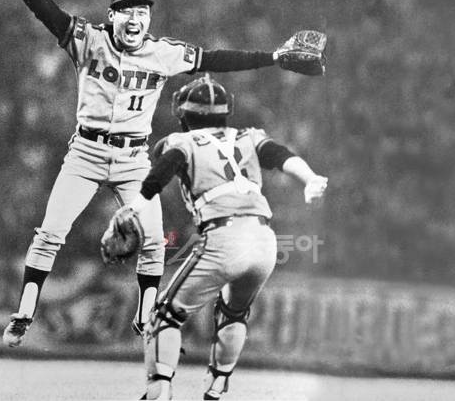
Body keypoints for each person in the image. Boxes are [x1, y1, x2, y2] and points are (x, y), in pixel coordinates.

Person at [0, 0, 299, 348]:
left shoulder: (164, 52)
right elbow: (46, 11)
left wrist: (273, 58)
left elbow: (217, 59)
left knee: (155, 242)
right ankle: (25, 312)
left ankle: (145, 318)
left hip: (133, 159)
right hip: (85, 152)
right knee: (50, 233)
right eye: (126, 10)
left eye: (141, 10)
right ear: (112, 15)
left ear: (149, 17)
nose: (134, 17)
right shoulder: (88, 40)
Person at [119, 74, 328, 400]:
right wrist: (310, 178)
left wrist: (133, 208)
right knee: (234, 313)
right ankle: (216, 387)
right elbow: (281, 155)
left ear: (185, 113)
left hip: (224, 236)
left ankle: (159, 392)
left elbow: (161, 172)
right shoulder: (248, 136)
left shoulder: (182, 141)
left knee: (164, 315)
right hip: (264, 239)